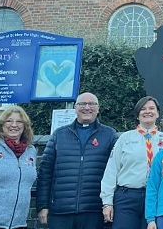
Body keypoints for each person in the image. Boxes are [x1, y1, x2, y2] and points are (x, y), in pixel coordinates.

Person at [37, 92, 117, 229]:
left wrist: (110, 204)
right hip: (60, 211)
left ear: (98, 108)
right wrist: (43, 205)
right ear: (75, 107)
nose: (87, 107)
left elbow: (115, 172)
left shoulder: (109, 135)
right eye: (82, 104)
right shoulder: (59, 135)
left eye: (92, 104)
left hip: (94, 211)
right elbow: (45, 172)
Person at [100, 96, 163, 229]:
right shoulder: (125, 138)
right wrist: (107, 202)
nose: (147, 111)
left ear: (158, 113)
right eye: (143, 109)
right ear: (137, 115)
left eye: (151, 108)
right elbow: (111, 170)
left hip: (157, 198)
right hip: (127, 198)